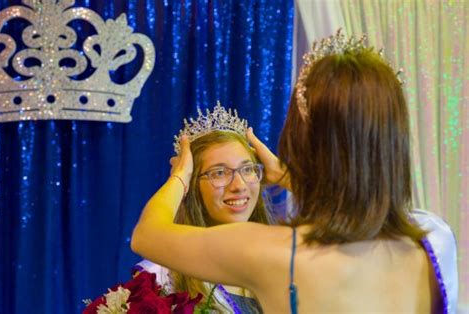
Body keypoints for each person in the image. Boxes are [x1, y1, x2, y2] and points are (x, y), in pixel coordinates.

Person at [131, 30, 458, 313]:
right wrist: (292, 179)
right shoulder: (432, 244)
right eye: (218, 172)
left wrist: (181, 176)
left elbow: (147, 234)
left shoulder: (272, 252)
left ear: (301, 142)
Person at [133, 104, 273, 313]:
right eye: (219, 173)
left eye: (248, 169)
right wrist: (179, 177)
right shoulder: (164, 277)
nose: (239, 186)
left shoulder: (278, 261)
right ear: (191, 183)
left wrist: (284, 175)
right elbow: (144, 235)